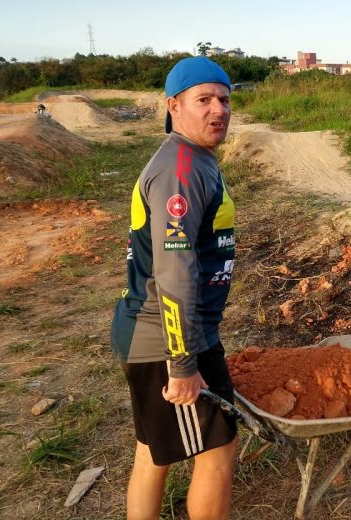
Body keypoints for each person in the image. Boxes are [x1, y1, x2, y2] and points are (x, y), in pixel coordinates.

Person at [111, 56, 237, 520]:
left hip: (152, 335)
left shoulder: (191, 159)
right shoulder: (180, 168)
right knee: (218, 453)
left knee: (152, 451)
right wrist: (182, 364)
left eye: (224, 99)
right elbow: (174, 273)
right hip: (170, 342)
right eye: (203, 100)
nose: (218, 110)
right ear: (174, 106)